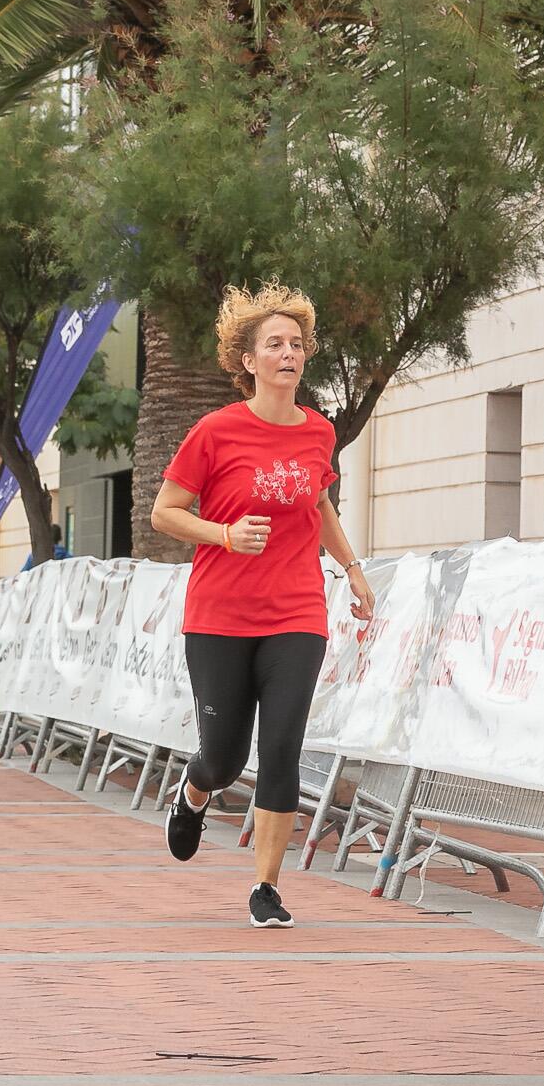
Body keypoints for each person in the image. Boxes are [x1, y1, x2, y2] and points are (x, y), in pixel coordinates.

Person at [150, 283, 374, 929]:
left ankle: (267, 889)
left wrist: (353, 569)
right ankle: (194, 793)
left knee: (281, 750)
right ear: (247, 360)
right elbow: (164, 512)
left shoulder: (318, 431)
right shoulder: (215, 431)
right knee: (223, 757)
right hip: (219, 616)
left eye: (296, 344)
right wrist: (223, 534)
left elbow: (320, 503)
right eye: (274, 344)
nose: (288, 354)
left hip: (297, 612)